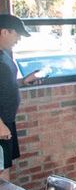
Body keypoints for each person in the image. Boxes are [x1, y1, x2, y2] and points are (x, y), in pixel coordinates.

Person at [0, 15, 41, 180]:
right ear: (4, 32)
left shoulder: (4, 54)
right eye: (17, 34)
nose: (18, 39)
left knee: (5, 166)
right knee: (2, 170)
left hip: (7, 121)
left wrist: (23, 81)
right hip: (1, 123)